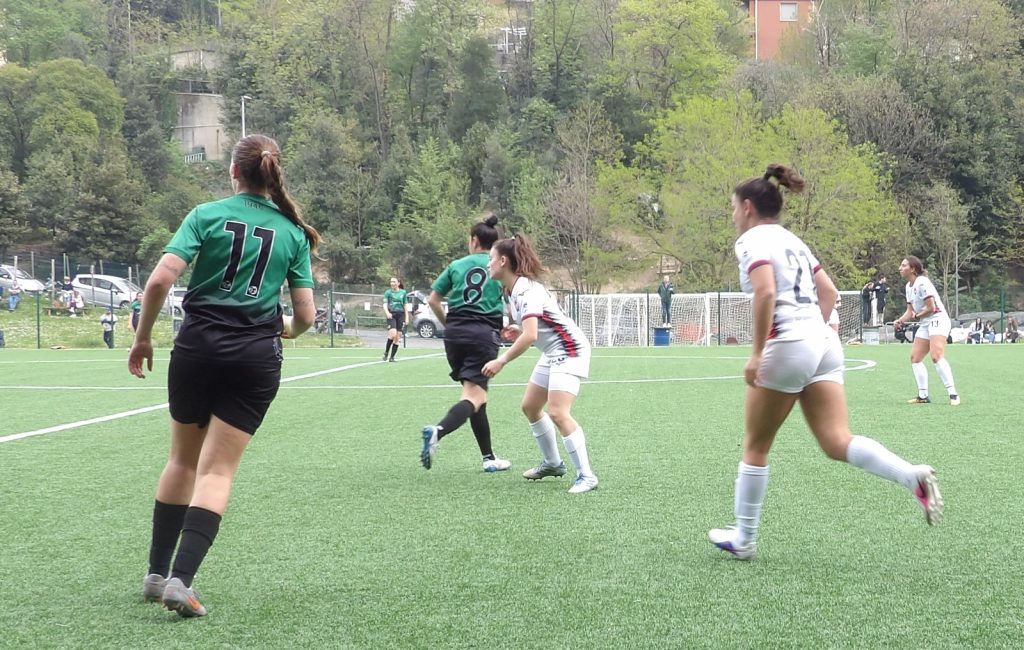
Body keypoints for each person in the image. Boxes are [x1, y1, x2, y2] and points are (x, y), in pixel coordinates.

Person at [707, 164, 942, 560]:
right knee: (837, 441)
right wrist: (812, 334)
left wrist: (758, 353)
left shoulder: (750, 241)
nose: (732, 216)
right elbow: (830, 292)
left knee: (756, 446)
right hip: (824, 343)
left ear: (747, 207)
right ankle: (910, 476)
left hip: (788, 343)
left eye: (733, 207)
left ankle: (744, 538)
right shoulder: (793, 241)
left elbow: (765, 293)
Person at [128, 134, 319, 618]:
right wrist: (288, 330)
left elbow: (159, 280)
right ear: (273, 173)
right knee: (216, 471)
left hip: (195, 349)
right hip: (254, 358)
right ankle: (182, 581)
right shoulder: (292, 233)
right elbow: (306, 316)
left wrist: (143, 337)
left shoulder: (205, 215)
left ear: (234, 171)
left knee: (181, 461)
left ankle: (155, 575)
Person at [482, 234, 599, 494]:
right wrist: (520, 328)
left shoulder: (526, 290)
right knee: (531, 406)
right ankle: (553, 464)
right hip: (552, 351)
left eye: (491, 259)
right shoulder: (512, 290)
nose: (488, 264)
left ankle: (587, 476)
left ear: (503, 261)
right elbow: (535, 326)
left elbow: (531, 336)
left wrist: (502, 360)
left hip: (569, 350)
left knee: (558, 412)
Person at [420, 214, 513, 473]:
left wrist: (449, 324)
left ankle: (489, 458)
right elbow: (512, 299)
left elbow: (433, 299)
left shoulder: (456, 265)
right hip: (482, 334)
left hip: (455, 335)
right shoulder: (498, 265)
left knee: (476, 395)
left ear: (473, 240)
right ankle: (438, 431)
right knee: (474, 396)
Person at [894, 256, 960, 405]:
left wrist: (917, 316)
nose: (900, 268)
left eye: (903, 265)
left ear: (912, 269)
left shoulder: (922, 282)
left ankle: (953, 394)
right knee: (915, 358)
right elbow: (910, 311)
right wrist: (900, 320)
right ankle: (923, 396)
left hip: (938, 319)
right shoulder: (908, 286)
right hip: (925, 322)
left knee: (936, 356)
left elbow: (931, 308)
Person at [382, 277, 409, 362]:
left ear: (398, 283)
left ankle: (392, 357)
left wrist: (407, 317)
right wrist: (387, 313)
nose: (392, 283)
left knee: (397, 337)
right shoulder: (388, 292)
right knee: (393, 334)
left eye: (394, 282)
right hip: (392, 315)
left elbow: (405, 305)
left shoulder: (403, 292)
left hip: (401, 315)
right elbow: (385, 304)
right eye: (391, 282)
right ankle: (386, 352)